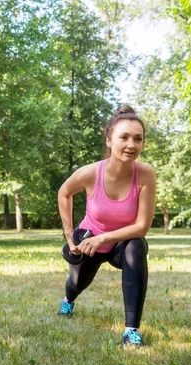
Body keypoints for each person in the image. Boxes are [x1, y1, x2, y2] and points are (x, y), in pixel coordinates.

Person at [57, 105, 156, 347]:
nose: (131, 145)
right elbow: (64, 192)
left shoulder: (146, 174)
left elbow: (142, 226)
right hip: (89, 244)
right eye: (124, 137)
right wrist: (70, 234)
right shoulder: (91, 173)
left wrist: (104, 238)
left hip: (118, 244)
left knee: (136, 246)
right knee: (77, 284)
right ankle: (68, 301)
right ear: (110, 140)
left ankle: (131, 331)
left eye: (138, 139)